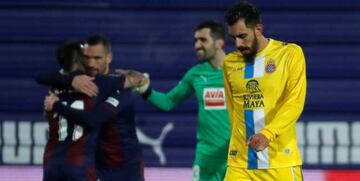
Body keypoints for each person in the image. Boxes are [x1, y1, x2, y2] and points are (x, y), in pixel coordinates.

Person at [39, 40, 146, 181]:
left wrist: (56, 104)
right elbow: (139, 80)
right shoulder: (98, 83)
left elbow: (40, 80)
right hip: (80, 166)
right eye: (86, 57)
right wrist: (130, 75)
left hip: (51, 164)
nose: (90, 63)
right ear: (80, 60)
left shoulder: (55, 85)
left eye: (96, 58)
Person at [223, 2, 306, 181]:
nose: (238, 43)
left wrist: (267, 134)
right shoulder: (230, 62)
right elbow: (232, 110)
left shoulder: (290, 54)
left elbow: (295, 102)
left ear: (258, 28)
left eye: (242, 36)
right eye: (233, 38)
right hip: (240, 165)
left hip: (280, 162)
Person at [138, 20, 230, 181]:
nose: (197, 45)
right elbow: (168, 102)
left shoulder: (240, 70)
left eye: (203, 40)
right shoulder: (195, 74)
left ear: (219, 43)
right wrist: (146, 90)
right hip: (206, 157)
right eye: (195, 40)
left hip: (235, 156)